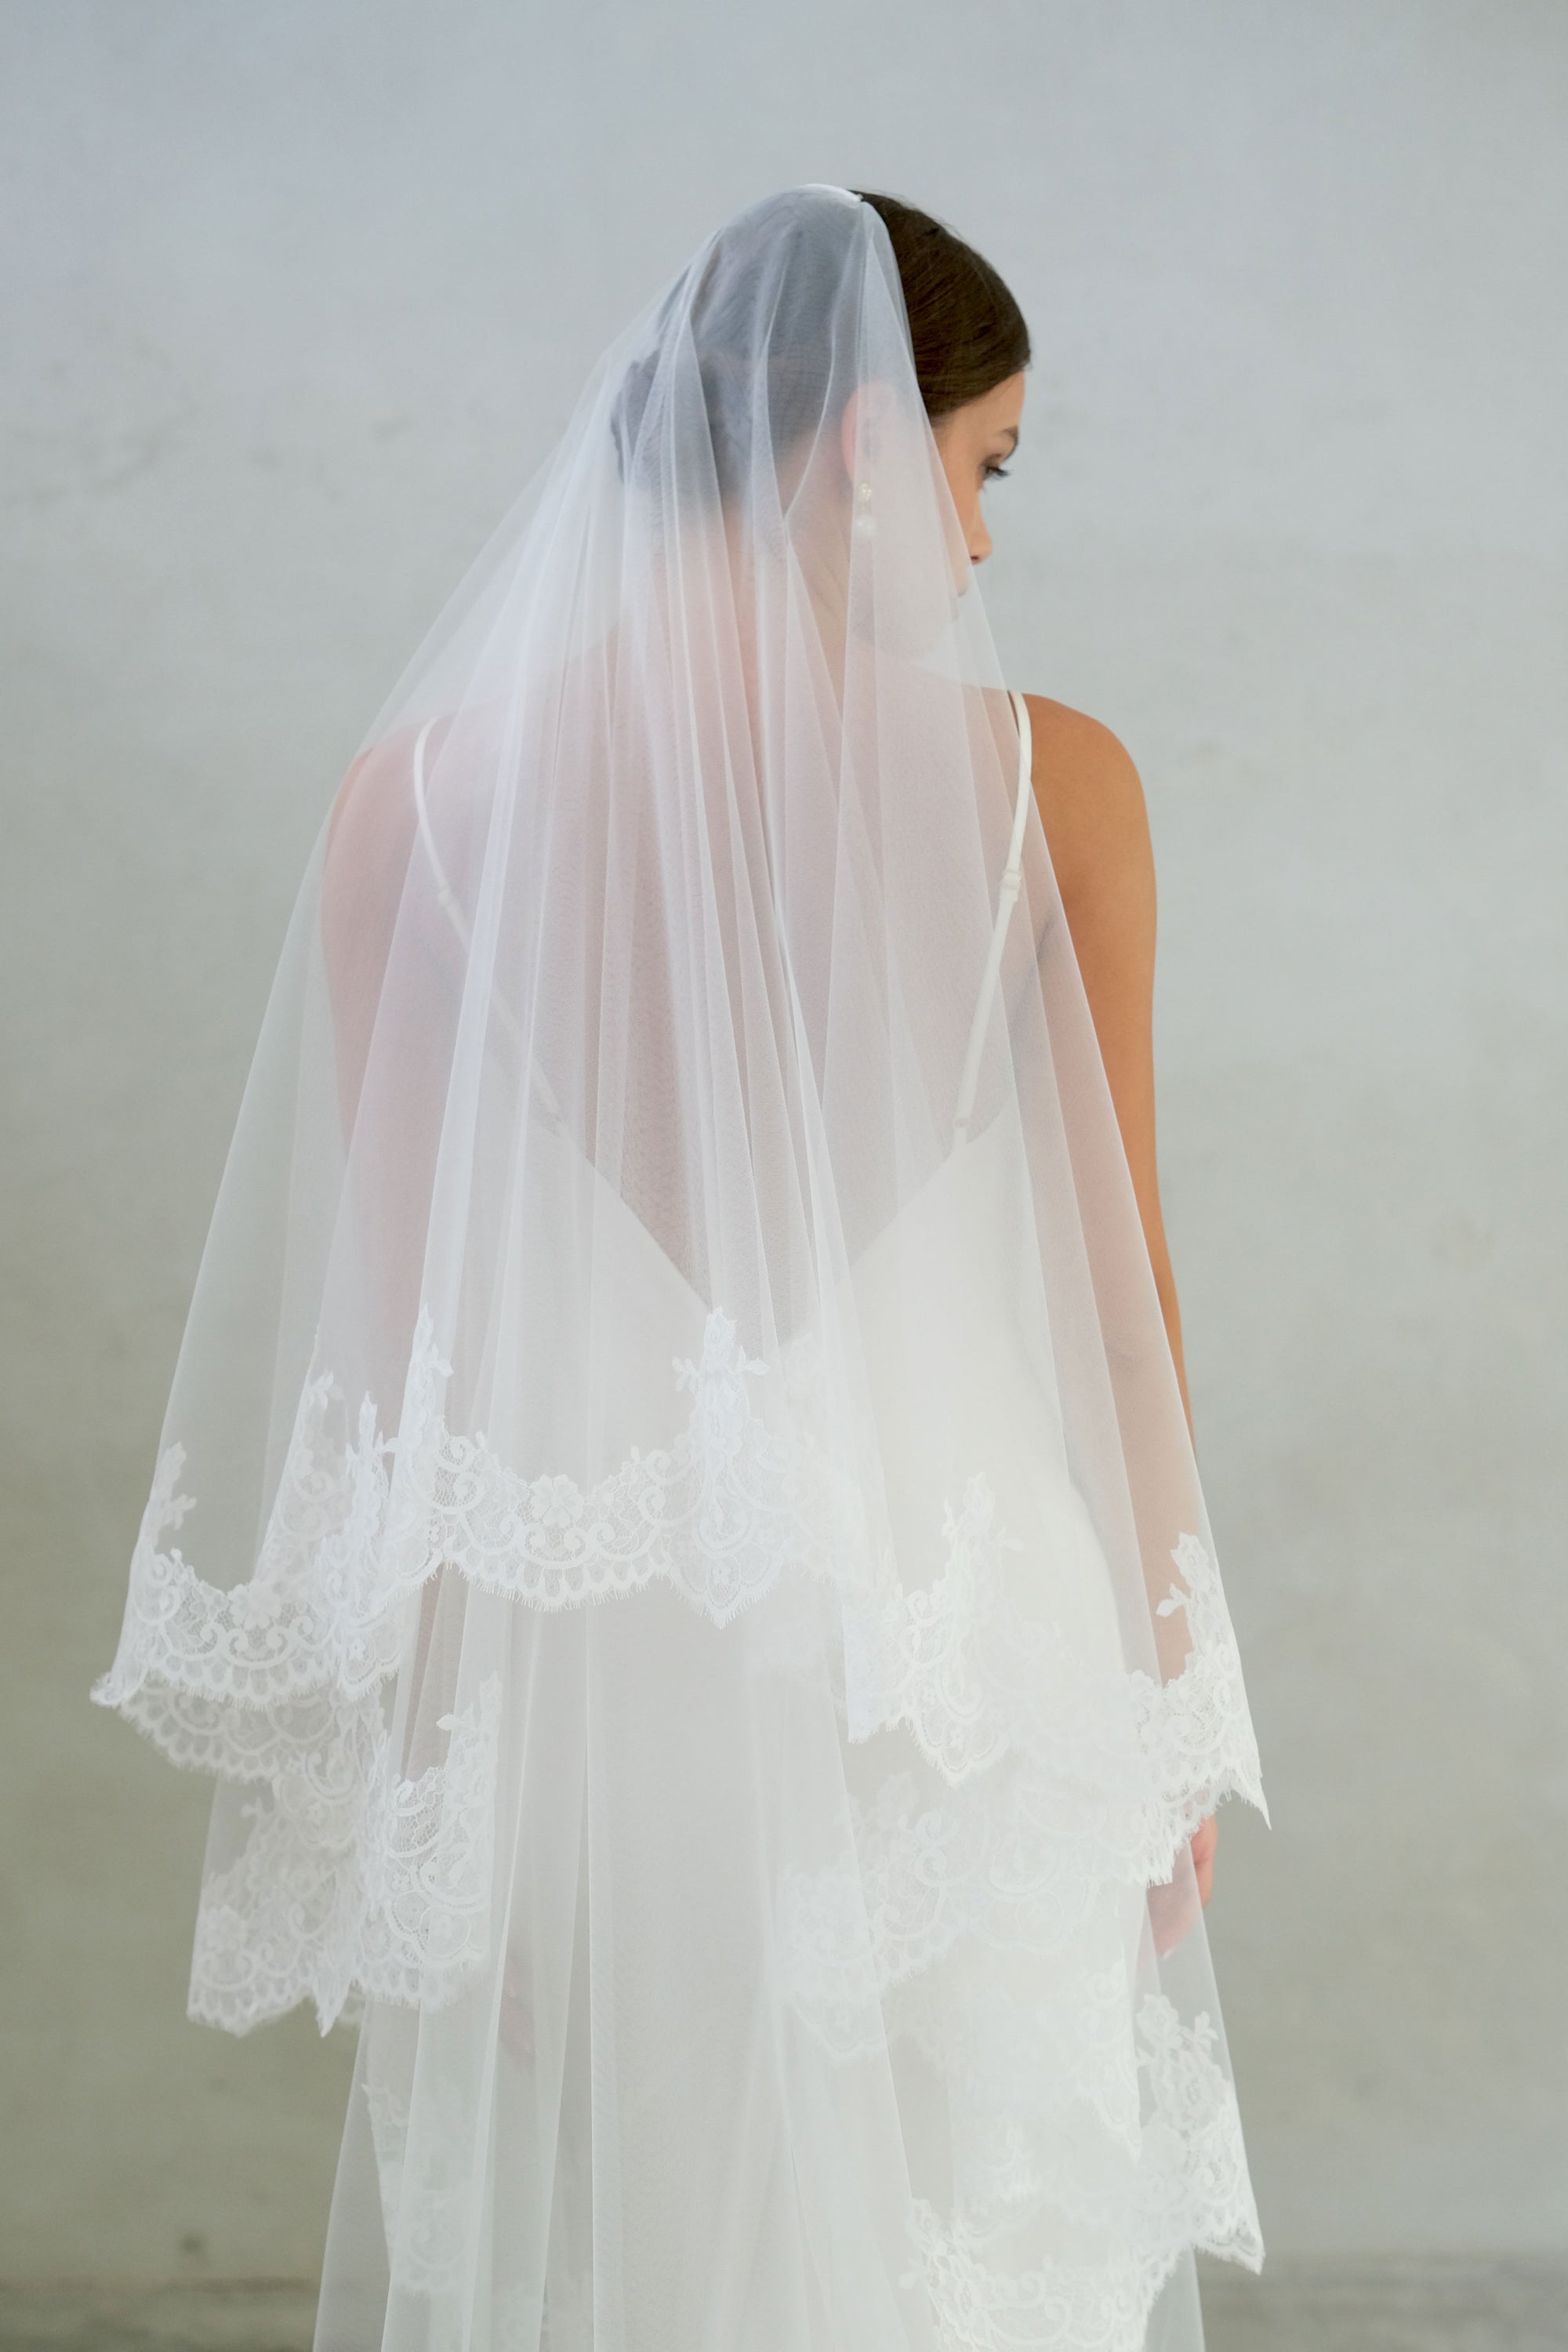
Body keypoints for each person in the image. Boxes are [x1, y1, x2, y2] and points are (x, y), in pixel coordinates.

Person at [93, 186, 1268, 2352]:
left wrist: (455, 1810)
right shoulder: (1054, 788)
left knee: (657, 2272)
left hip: (606, 1709)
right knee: (986, 2261)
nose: (983, 545)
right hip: (961, 1662)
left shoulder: (408, 811)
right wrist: (1170, 1726)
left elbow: (413, 1375)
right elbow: (1118, 1316)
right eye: (981, 466)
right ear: (853, 448)